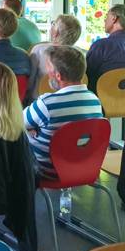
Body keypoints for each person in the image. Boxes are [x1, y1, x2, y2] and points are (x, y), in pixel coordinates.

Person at [24, 46, 103, 178]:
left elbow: (17, 123)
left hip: (48, 171)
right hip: (83, 166)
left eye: (49, 71)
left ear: (58, 76)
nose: (47, 75)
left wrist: (29, 130)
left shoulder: (46, 103)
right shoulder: (95, 100)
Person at [86, 4, 125, 92]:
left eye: (107, 16)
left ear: (114, 18)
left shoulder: (101, 46)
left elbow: (86, 78)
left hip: (102, 102)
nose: (104, 20)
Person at [28, 14, 83, 97]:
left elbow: (30, 81)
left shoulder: (39, 50)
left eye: (53, 24)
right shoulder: (80, 55)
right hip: (71, 99)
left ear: (56, 32)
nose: (51, 26)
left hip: (39, 99)